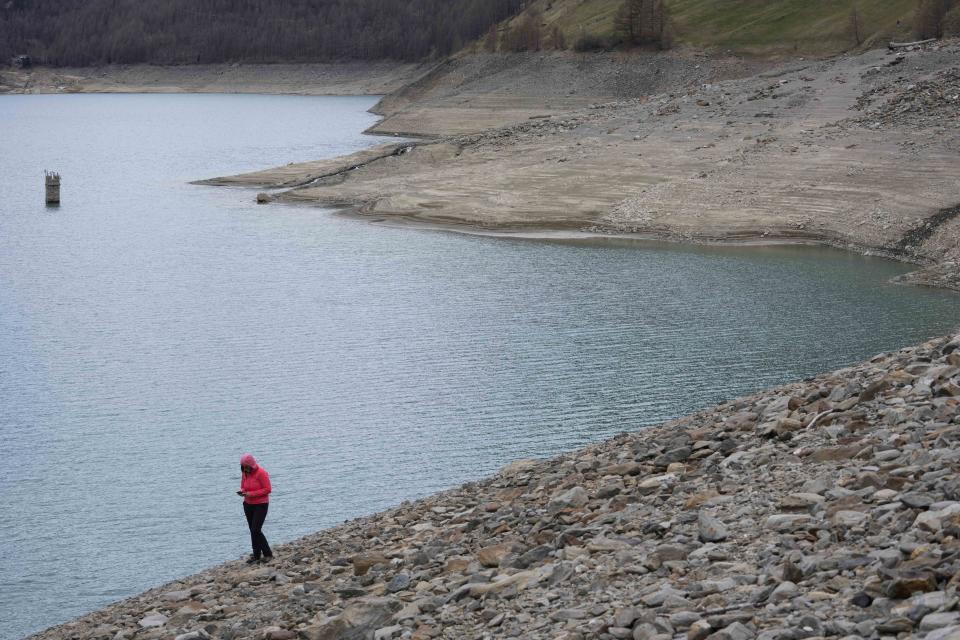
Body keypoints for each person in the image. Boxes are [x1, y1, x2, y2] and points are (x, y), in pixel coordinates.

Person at [238, 453, 273, 563]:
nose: (245, 469)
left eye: (246, 466)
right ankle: (256, 555)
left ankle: (268, 554)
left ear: (251, 464)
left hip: (261, 504)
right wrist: (243, 492)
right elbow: (243, 486)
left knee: (255, 529)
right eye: (243, 467)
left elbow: (268, 489)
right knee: (252, 531)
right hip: (248, 504)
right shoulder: (245, 473)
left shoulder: (261, 473)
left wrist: (250, 494)